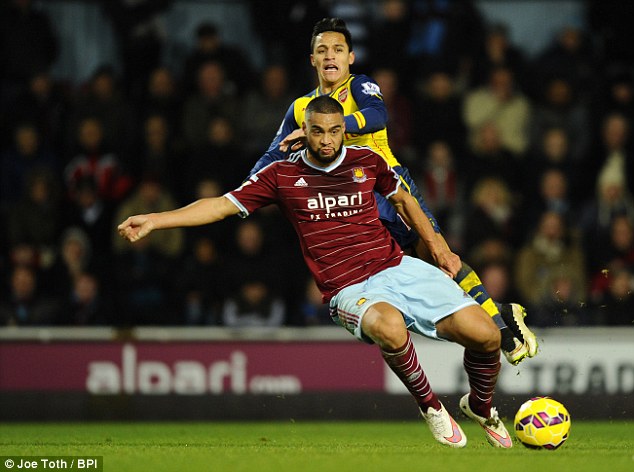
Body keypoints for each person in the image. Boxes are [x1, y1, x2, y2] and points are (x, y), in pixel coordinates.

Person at [118, 96, 513, 448]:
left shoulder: (367, 161)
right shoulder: (281, 176)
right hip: (348, 288)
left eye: (335, 131)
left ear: (345, 131)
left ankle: (480, 406)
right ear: (303, 130)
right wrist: (156, 219)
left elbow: (405, 201)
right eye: (319, 131)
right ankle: (430, 406)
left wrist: (439, 248)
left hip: (397, 266)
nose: (327, 140)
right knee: (391, 328)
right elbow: (221, 205)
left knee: (487, 336)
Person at [247, 17, 536, 365]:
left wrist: (334, 126)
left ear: (350, 57)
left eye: (337, 49)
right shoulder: (301, 108)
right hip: (351, 203)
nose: (330, 56)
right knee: (407, 271)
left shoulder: (360, 86)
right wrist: (251, 185)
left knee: (437, 254)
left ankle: (503, 331)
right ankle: (499, 313)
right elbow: (272, 151)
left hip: (389, 188)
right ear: (312, 60)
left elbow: (377, 116)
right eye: (322, 50)